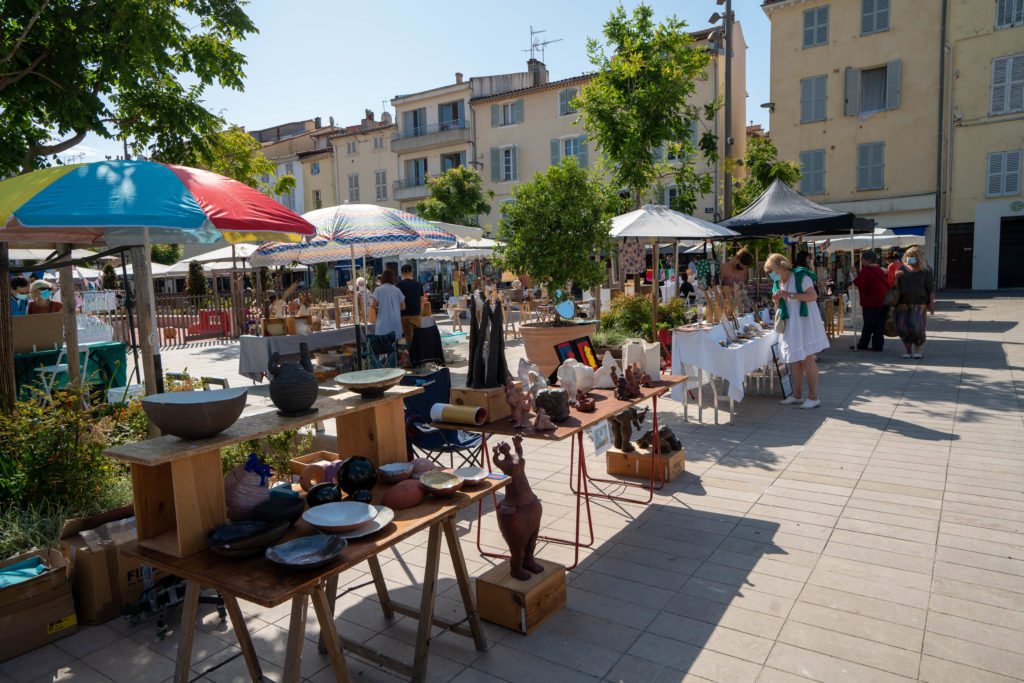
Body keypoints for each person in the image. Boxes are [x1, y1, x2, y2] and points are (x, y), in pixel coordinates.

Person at [766, 253, 829, 409]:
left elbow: (813, 296)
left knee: (808, 359)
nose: (770, 274)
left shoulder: (800, 276)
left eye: (771, 270)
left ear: (780, 267)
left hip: (805, 322)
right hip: (791, 324)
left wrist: (790, 295)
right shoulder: (778, 282)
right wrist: (776, 301)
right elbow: (780, 308)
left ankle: (814, 397)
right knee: (795, 359)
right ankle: (797, 395)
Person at [891, 245, 934, 359]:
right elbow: (896, 287)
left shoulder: (926, 270)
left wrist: (931, 304)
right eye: (908, 256)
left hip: (919, 304)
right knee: (902, 328)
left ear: (918, 257)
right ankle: (908, 351)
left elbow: (930, 288)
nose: (910, 258)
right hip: (902, 303)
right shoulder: (902, 269)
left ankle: (917, 349)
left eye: (913, 256)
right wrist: (895, 277)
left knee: (917, 328)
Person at [851, 250, 889, 352]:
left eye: (862, 258)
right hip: (883, 301)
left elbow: (862, 285)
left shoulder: (865, 270)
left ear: (866, 259)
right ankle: (878, 345)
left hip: (871, 302)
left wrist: (854, 274)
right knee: (879, 325)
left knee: (868, 325)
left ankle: (863, 343)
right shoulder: (879, 269)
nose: (861, 260)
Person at [370, 269, 404, 342]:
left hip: (383, 321)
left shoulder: (378, 290)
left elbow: (373, 306)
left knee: (383, 345)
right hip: (396, 321)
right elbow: (403, 306)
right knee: (395, 345)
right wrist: (395, 309)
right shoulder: (397, 290)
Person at [396, 264, 423, 342]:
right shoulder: (418, 284)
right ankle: (418, 353)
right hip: (416, 314)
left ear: (401, 273)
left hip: (405, 314)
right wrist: (420, 310)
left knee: (409, 337)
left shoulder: (399, 285)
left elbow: (398, 300)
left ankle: (412, 353)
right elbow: (422, 299)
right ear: (412, 272)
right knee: (418, 336)